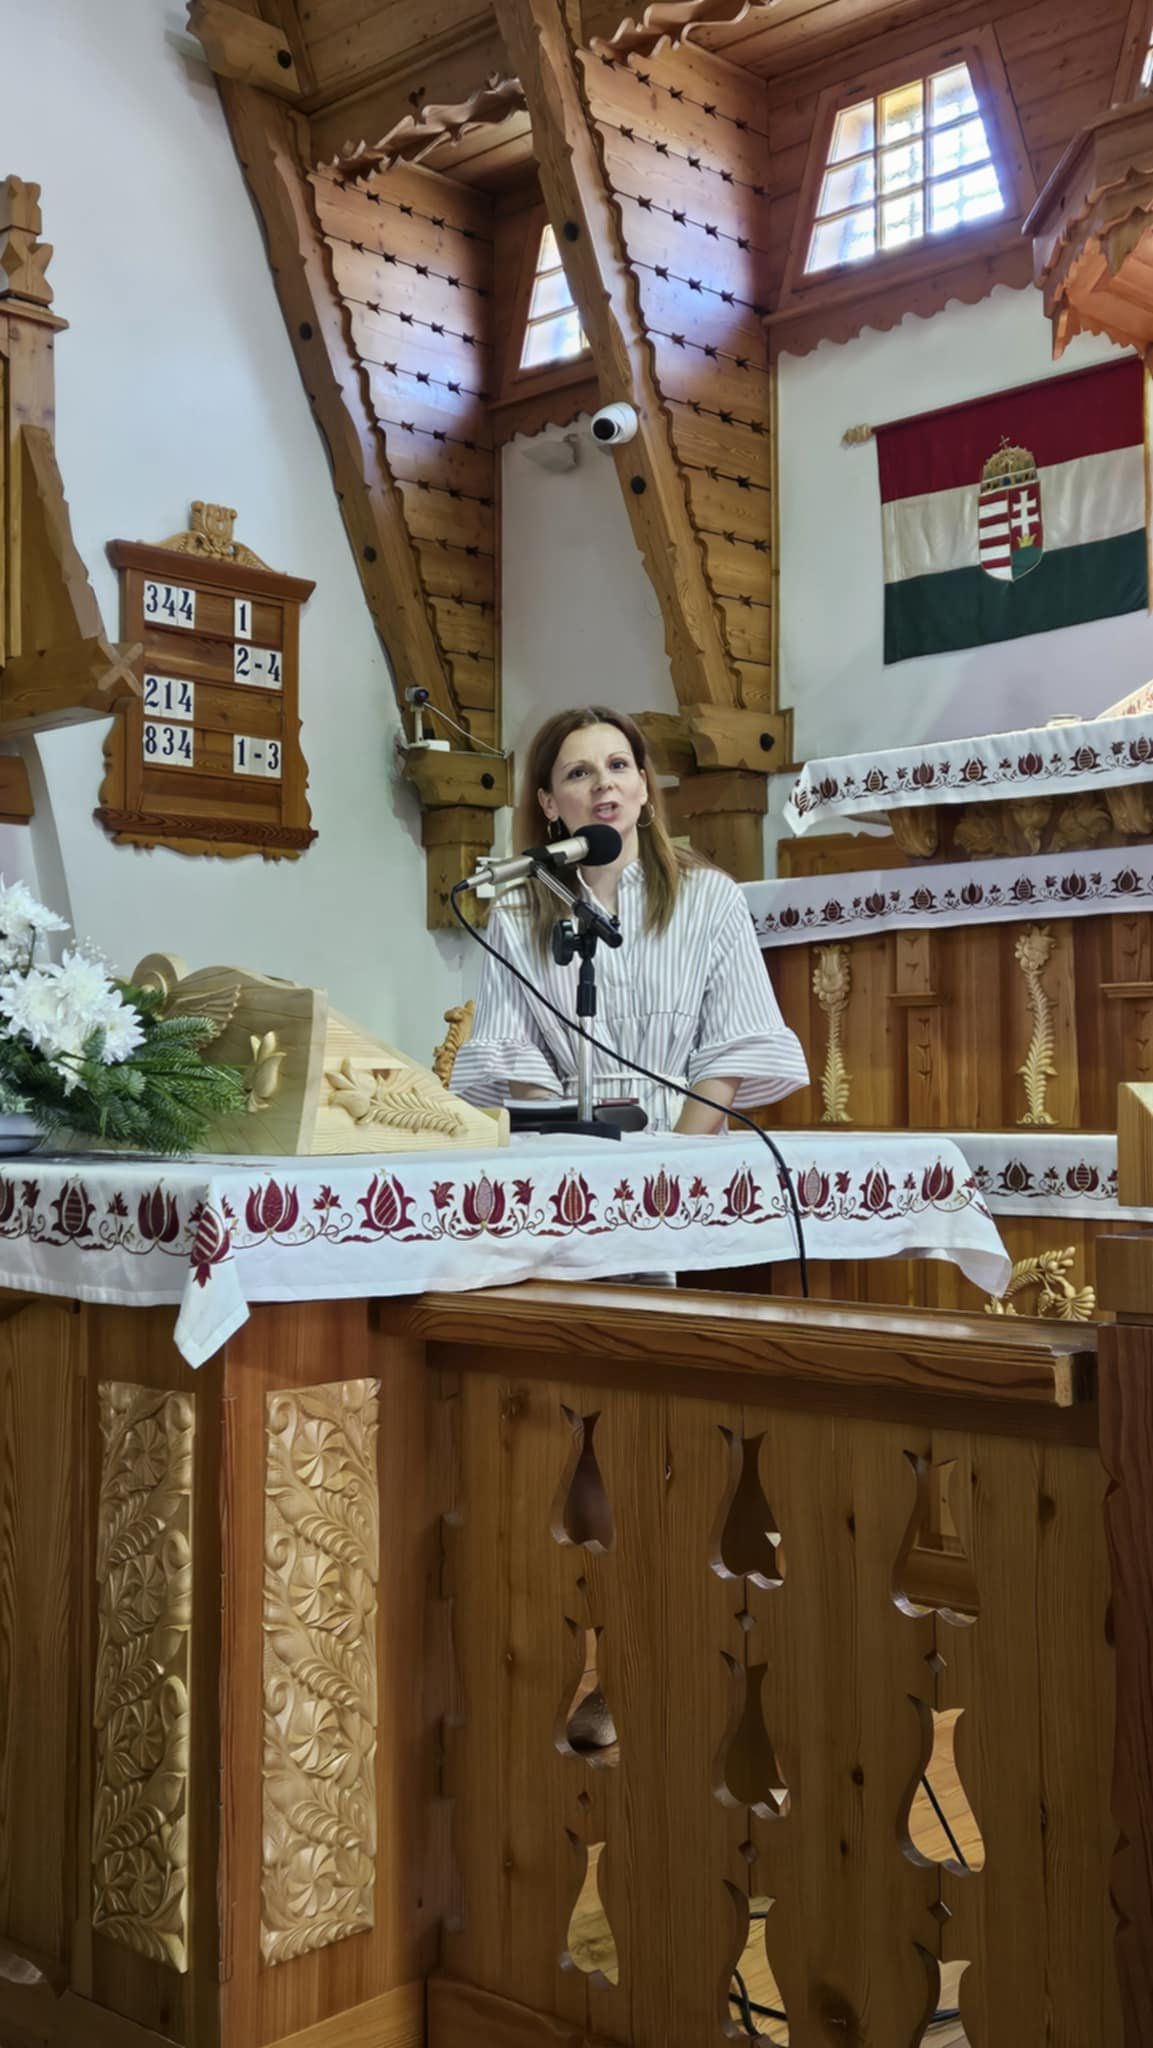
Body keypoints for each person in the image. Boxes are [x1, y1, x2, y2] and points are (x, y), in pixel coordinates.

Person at [451, 705, 808, 1133]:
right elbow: (519, 1061)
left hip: (688, 1144)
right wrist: (574, 1152)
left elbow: (731, 1050)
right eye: (579, 773)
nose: (604, 783)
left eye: (618, 765)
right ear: (549, 803)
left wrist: (676, 1158)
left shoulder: (711, 897)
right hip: (571, 1145)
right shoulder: (517, 916)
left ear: (642, 786)